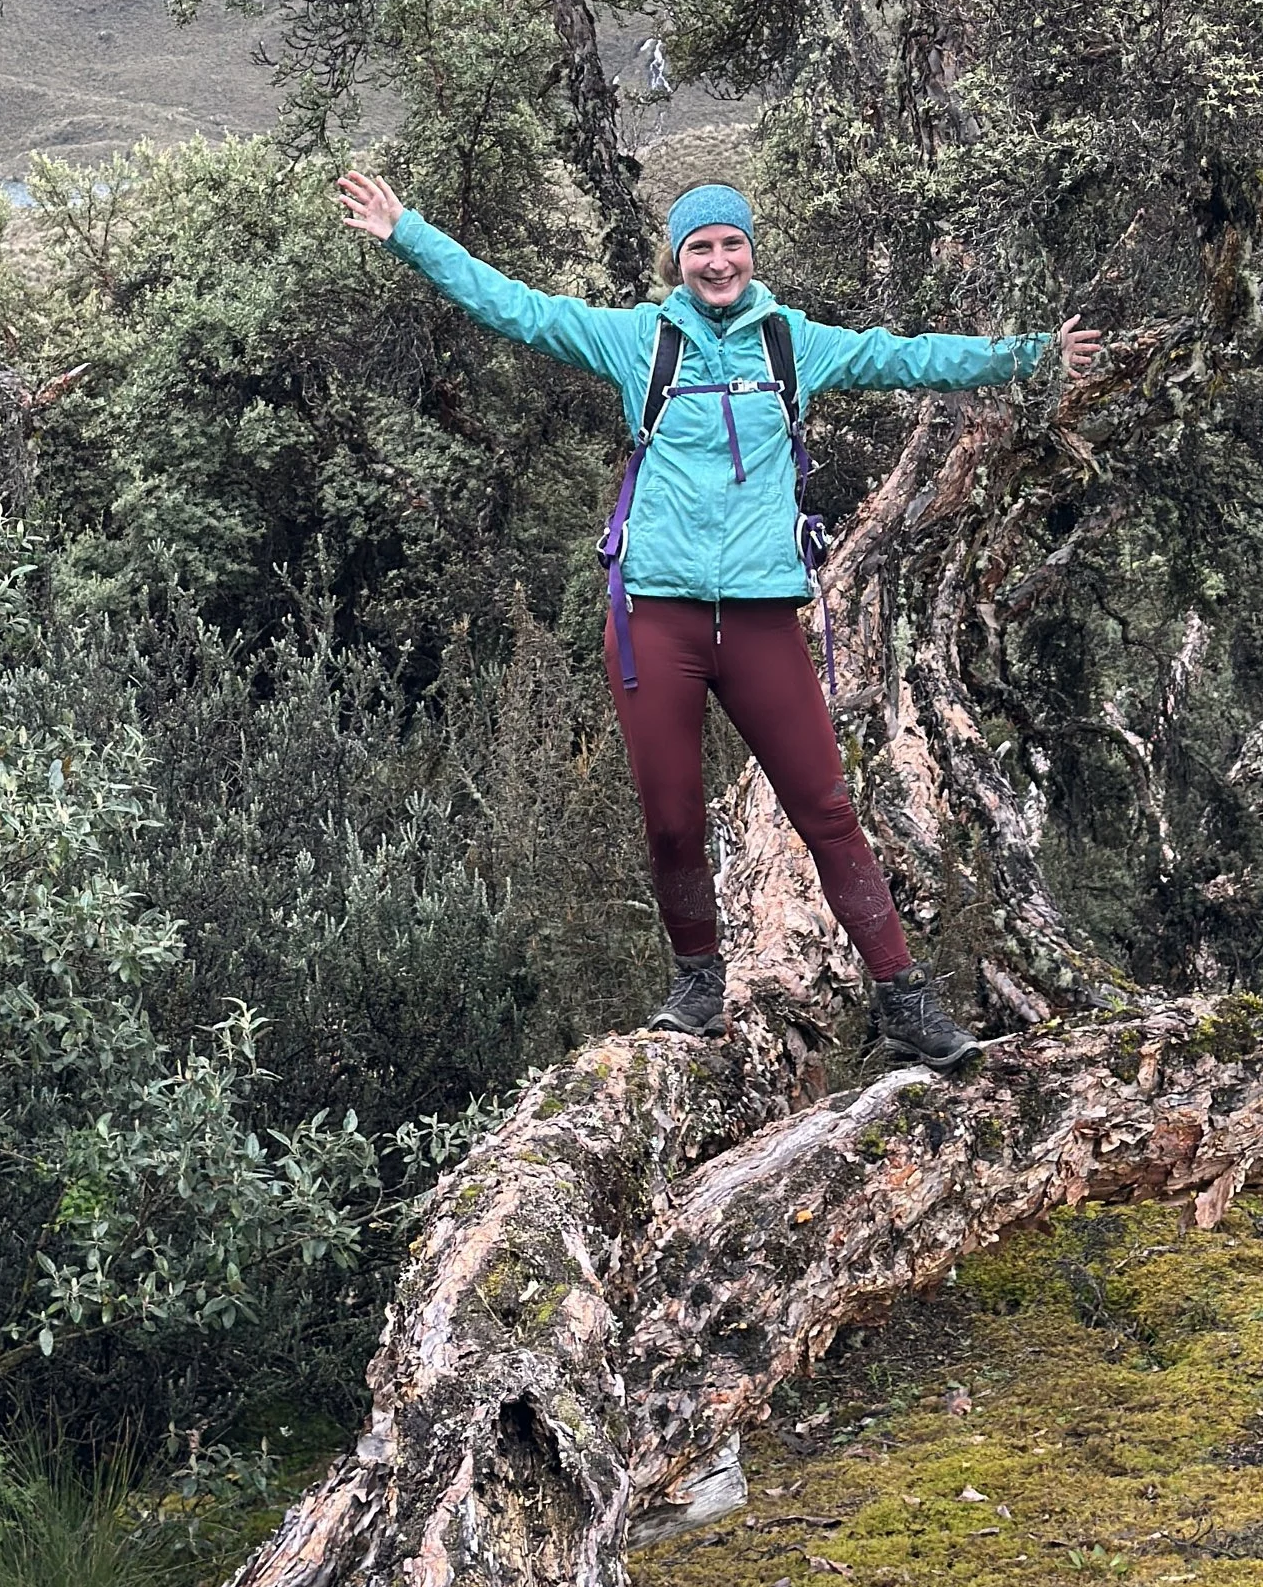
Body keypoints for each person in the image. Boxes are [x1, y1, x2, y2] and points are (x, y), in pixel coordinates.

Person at [336, 167, 1100, 1069]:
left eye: (730, 242)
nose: (718, 259)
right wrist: (408, 232)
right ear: (678, 257)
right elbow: (517, 307)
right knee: (672, 819)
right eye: (700, 246)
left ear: (750, 248)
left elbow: (909, 355)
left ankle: (902, 996)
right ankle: (698, 985)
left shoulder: (793, 344)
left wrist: (1029, 354)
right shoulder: (637, 341)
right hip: (656, 615)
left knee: (825, 805)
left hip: (762, 617)